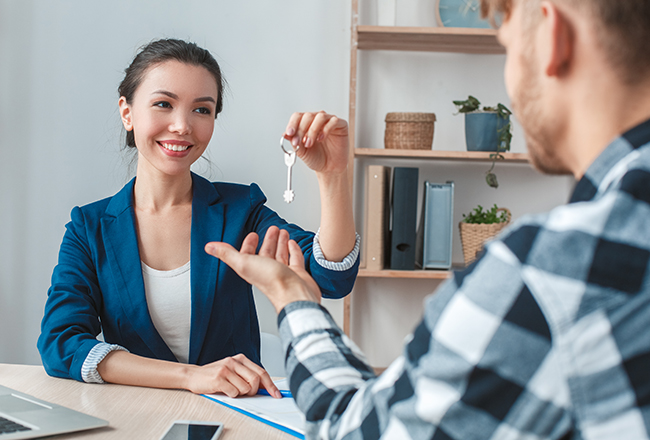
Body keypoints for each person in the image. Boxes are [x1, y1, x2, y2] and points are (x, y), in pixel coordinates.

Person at [206, 0, 650, 438]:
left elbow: (360, 429)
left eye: (508, 48)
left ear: (552, 36)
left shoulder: (551, 273)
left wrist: (291, 295)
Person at [37, 38, 359, 398]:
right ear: (127, 113)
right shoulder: (89, 228)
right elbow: (61, 344)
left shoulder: (241, 209)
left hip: (236, 415)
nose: (182, 126)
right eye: (163, 104)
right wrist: (190, 376)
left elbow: (332, 278)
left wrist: (332, 176)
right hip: (137, 419)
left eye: (201, 110)